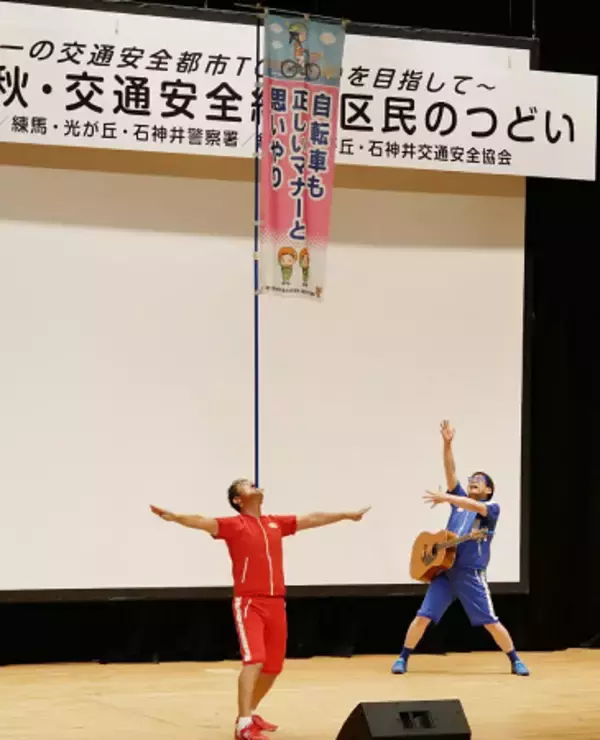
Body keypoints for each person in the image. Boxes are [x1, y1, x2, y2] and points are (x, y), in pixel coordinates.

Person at [151, 480, 370, 739]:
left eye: (254, 484)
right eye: (247, 485)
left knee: (273, 666)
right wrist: (175, 517)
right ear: (237, 500)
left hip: (276, 602)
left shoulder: (274, 523)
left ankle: (250, 712)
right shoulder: (234, 525)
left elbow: (312, 518)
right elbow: (202, 521)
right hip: (249, 603)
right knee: (254, 660)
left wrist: (346, 515)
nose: (254, 486)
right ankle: (243, 725)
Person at [392, 420, 529, 677]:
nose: (474, 481)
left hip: (470, 574)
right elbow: (450, 471)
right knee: (423, 616)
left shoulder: (491, 509)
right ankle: (402, 658)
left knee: (490, 622)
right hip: (446, 572)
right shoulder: (459, 502)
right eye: (472, 479)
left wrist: (447, 497)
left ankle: (515, 660)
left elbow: (472, 505)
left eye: (480, 480)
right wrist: (447, 444)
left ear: (489, 489)